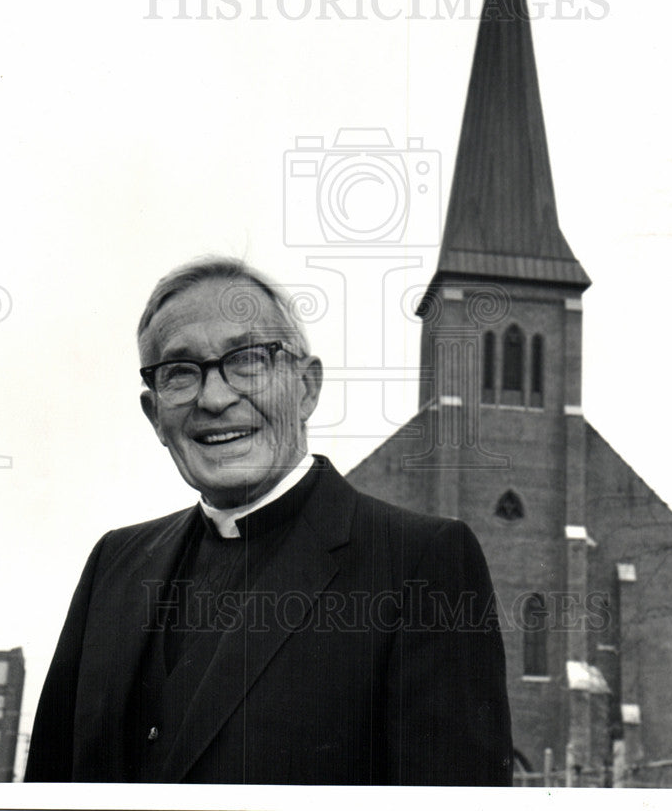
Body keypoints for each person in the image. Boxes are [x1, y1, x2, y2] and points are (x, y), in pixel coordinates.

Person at [25, 257, 512, 785]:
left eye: (249, 359)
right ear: (154, 415)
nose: (214, 399)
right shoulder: (112, 565)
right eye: (180, 372)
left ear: (307, 388)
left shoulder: (419, 563)